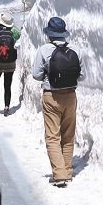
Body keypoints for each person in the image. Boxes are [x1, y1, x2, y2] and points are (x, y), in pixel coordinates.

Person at [30, 15, 83, 187]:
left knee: (52, 136)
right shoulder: (76, 49)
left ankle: (59, 174)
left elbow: (36, 75)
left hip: (51, 96)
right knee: (68, 134)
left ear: (49, 34)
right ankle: (66, 170)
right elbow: (82, 76)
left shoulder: (44, 50)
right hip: (70, 95)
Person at [0, 14, 21, 114]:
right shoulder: (14, 31)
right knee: (7, 85)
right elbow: (18, 41)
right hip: (10, 63)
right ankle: (6, 107)